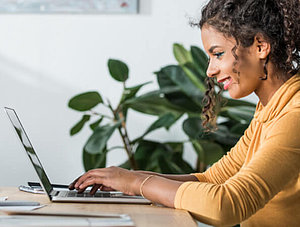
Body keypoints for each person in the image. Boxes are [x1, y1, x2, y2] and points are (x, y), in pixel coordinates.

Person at [69, 0, 300, 226]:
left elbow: (227, 205)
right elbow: (213, 179)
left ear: (260, 47)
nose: (210, 70)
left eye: (217, 54)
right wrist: (127, 179)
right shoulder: (271, 109)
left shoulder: (295, 114)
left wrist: (137, 182)